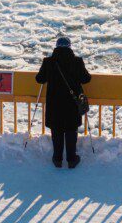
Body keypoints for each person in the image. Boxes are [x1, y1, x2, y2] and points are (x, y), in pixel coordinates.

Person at [35, 36, 91, 169]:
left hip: (55, 104)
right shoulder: (77, 61)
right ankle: (72, 159)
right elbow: (86, 79)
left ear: (56, 47)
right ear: (70, 47)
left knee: (57, 130)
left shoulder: (48, 62)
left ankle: (57, 159)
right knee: (71, 130)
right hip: (72, 103)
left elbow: (39, 79)